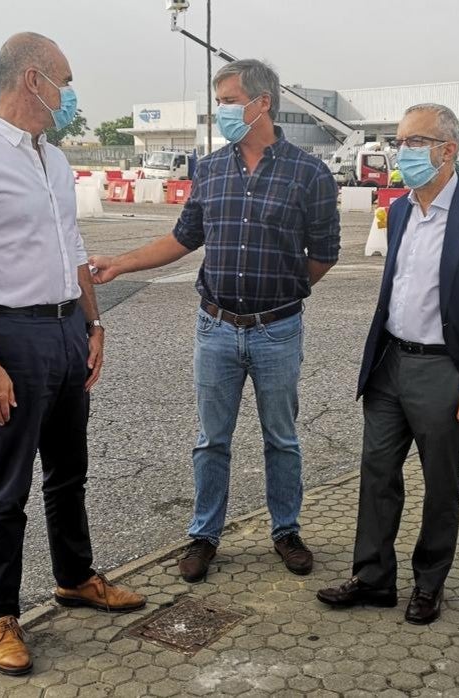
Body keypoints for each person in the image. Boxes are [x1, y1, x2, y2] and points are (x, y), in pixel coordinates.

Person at [0, 32, 144, 676]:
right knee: (8, 485)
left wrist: (92, 322)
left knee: (69, 470)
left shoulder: (51, 158)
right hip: (12, 337)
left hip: (64, 331)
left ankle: (75, 577)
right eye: (66, 79)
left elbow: (72, 246)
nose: (71, 92)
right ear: (33, 79)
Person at [88, 59, 340, 583]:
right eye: (220, 101)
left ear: (261, 103)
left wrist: (285, 293)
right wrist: (120, 262)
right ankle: (204, 535)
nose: (221, 111)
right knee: (211, 440)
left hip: (277, 329)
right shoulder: (210, 169)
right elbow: (183, 239)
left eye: (228, 100)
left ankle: (286, 530)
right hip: (216, 328)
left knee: (282, 438)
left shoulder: (309, 174)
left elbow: (326, 252)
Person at [315, 103, 459, 625]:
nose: (400, 151)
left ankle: (429, 583)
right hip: (391, 363)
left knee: (441, 483)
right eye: (399, 140)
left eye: (412, 142)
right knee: (376, 472)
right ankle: (372, 578)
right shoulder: (403, 209)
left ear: (446, 151)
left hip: (444, 373)